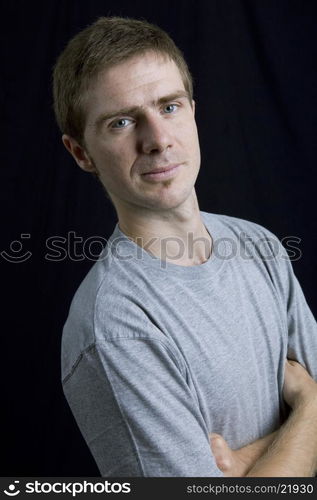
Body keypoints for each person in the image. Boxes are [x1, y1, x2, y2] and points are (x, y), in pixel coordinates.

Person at [53, 16, 317, 477]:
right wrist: (311, 407)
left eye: (169, 107)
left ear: (193, 111)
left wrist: (241, 464)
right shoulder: (116, 325)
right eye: (121, 122)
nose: (157, 140)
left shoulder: (260, 247)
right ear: (81, 153)